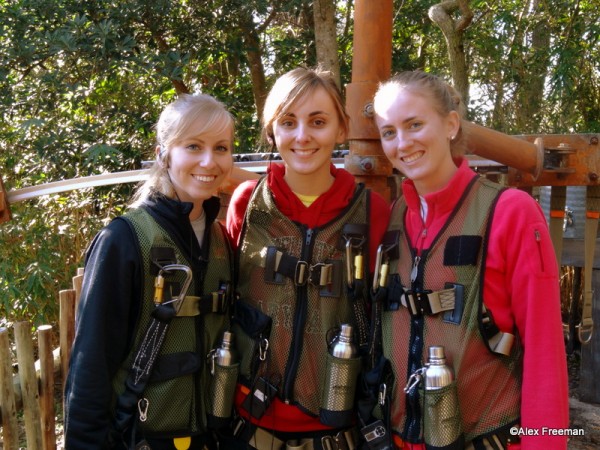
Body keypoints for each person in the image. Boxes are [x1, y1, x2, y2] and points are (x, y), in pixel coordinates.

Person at [371, 70, 569, 449]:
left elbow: (545, 352)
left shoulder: (510, 211)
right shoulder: (396, 217)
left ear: (451, 124)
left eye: (415, 124)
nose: (403, 143)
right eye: (389, 132)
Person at [225, 66, 390, 449]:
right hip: (248, 422)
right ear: (272, 130)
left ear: (341, 129)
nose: (302, 136)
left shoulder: (373, 212)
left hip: (335, 424)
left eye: (318, 122)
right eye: (288, 122)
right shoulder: (248, 204)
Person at [64, 93, 236, 450]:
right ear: (163, 154)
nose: (209, 161)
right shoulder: (124, 239)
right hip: (138, 438)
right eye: (193, 146)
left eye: (221, 148)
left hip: (210, 437)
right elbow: (90, 367)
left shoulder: (221, 239)